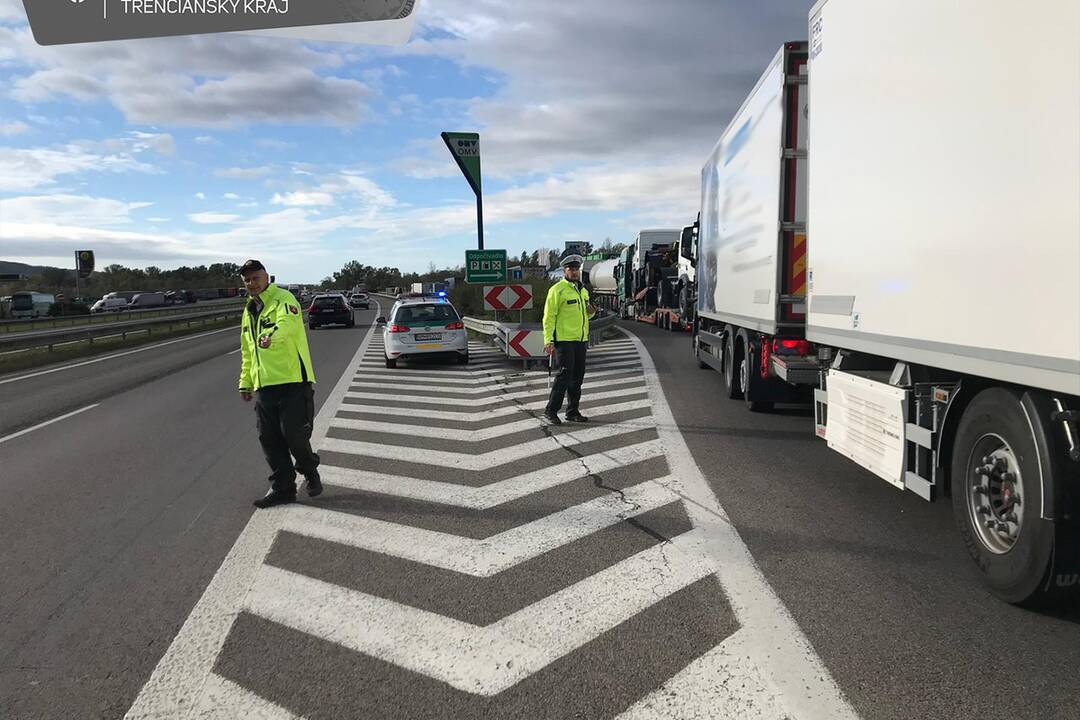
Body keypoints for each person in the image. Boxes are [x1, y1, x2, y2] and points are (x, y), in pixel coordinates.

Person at [237, 259, 321, 508]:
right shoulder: (249, 310)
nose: (252, 283)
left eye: (256, 278)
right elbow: (247, 350)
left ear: (267, 277)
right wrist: (245, 382)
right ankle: (283, 488)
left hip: (292, 380)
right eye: (247, 280)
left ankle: (310, 471)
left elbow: (286, 324)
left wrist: (269, 336)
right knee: (270, 439)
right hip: (265, 385)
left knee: (294, 435)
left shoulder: (283, 299)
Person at [542, 254, 597, 425]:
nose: (574, 272)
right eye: (571, 269)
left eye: (576, 269)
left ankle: (572, 411)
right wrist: (548, 340)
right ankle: (551, 411)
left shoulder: (583, 291)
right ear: (564, 271)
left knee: (578, 376)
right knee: (565, 375)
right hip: (564, 340)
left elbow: (589, 314)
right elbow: (549, 317)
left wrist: (591, 310)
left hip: (580, 340)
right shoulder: (557, 290)